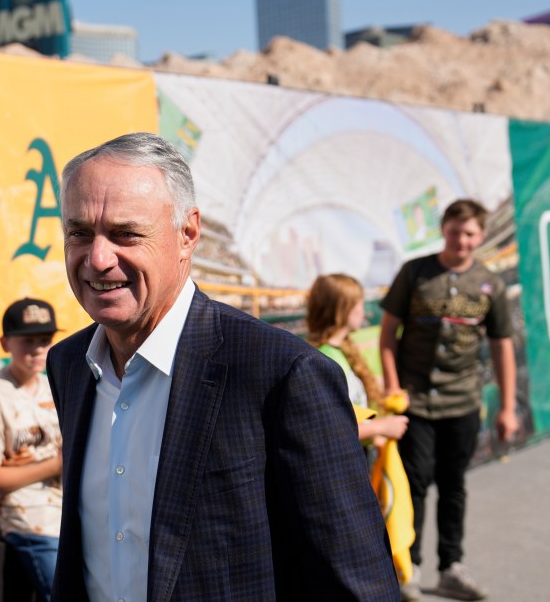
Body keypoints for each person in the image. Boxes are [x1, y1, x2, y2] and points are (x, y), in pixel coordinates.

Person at [46, 132, 399, 601]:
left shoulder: (283, 374)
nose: (98, 258)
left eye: (126, 233)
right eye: (79, 233)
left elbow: (357, 584)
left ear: (187, 234)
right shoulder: (69, 365)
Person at [380, 199, 518, 602]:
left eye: (470, 233)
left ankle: (451, 567)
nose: (462, 240)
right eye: (455, 231)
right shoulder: (415, 272)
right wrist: (393, 386)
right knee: (415, 484)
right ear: (443, 230)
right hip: (416, 402)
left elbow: (502, 346)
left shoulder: (490, 283)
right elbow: (388, 334)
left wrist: (507, 407)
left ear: (481, 235)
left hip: (463, 402)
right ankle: (407, 568)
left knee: (454, 485)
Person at [0, 297, 64, 601]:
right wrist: (56, 465)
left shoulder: (51, 385)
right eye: (27, 341)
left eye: (44, 340)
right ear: (5, 343)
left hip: (66, 512)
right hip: (30, 519)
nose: (37, 349)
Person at [305, 273, 410, 445]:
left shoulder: (341, 351)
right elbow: (327, 427)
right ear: (344, 309)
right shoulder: (323, 360)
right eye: (360, 304)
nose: (363, 311)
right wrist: (380, 427)